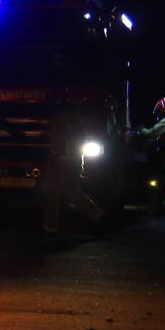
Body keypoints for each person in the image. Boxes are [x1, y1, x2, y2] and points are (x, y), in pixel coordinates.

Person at [42, 100, 105, 234]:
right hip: (71, 162)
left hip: (62, 162)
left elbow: (58, 142)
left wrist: (55, 155)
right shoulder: (76, 122)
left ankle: (49, 227)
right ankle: (99, 217)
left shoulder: (62, 121)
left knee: (52, 193)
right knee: (74, 194)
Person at [133, 97, 165, 210]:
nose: (158, 115)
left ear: (163, 110)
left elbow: (152, 132)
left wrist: (141, 129)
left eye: (159, 112)